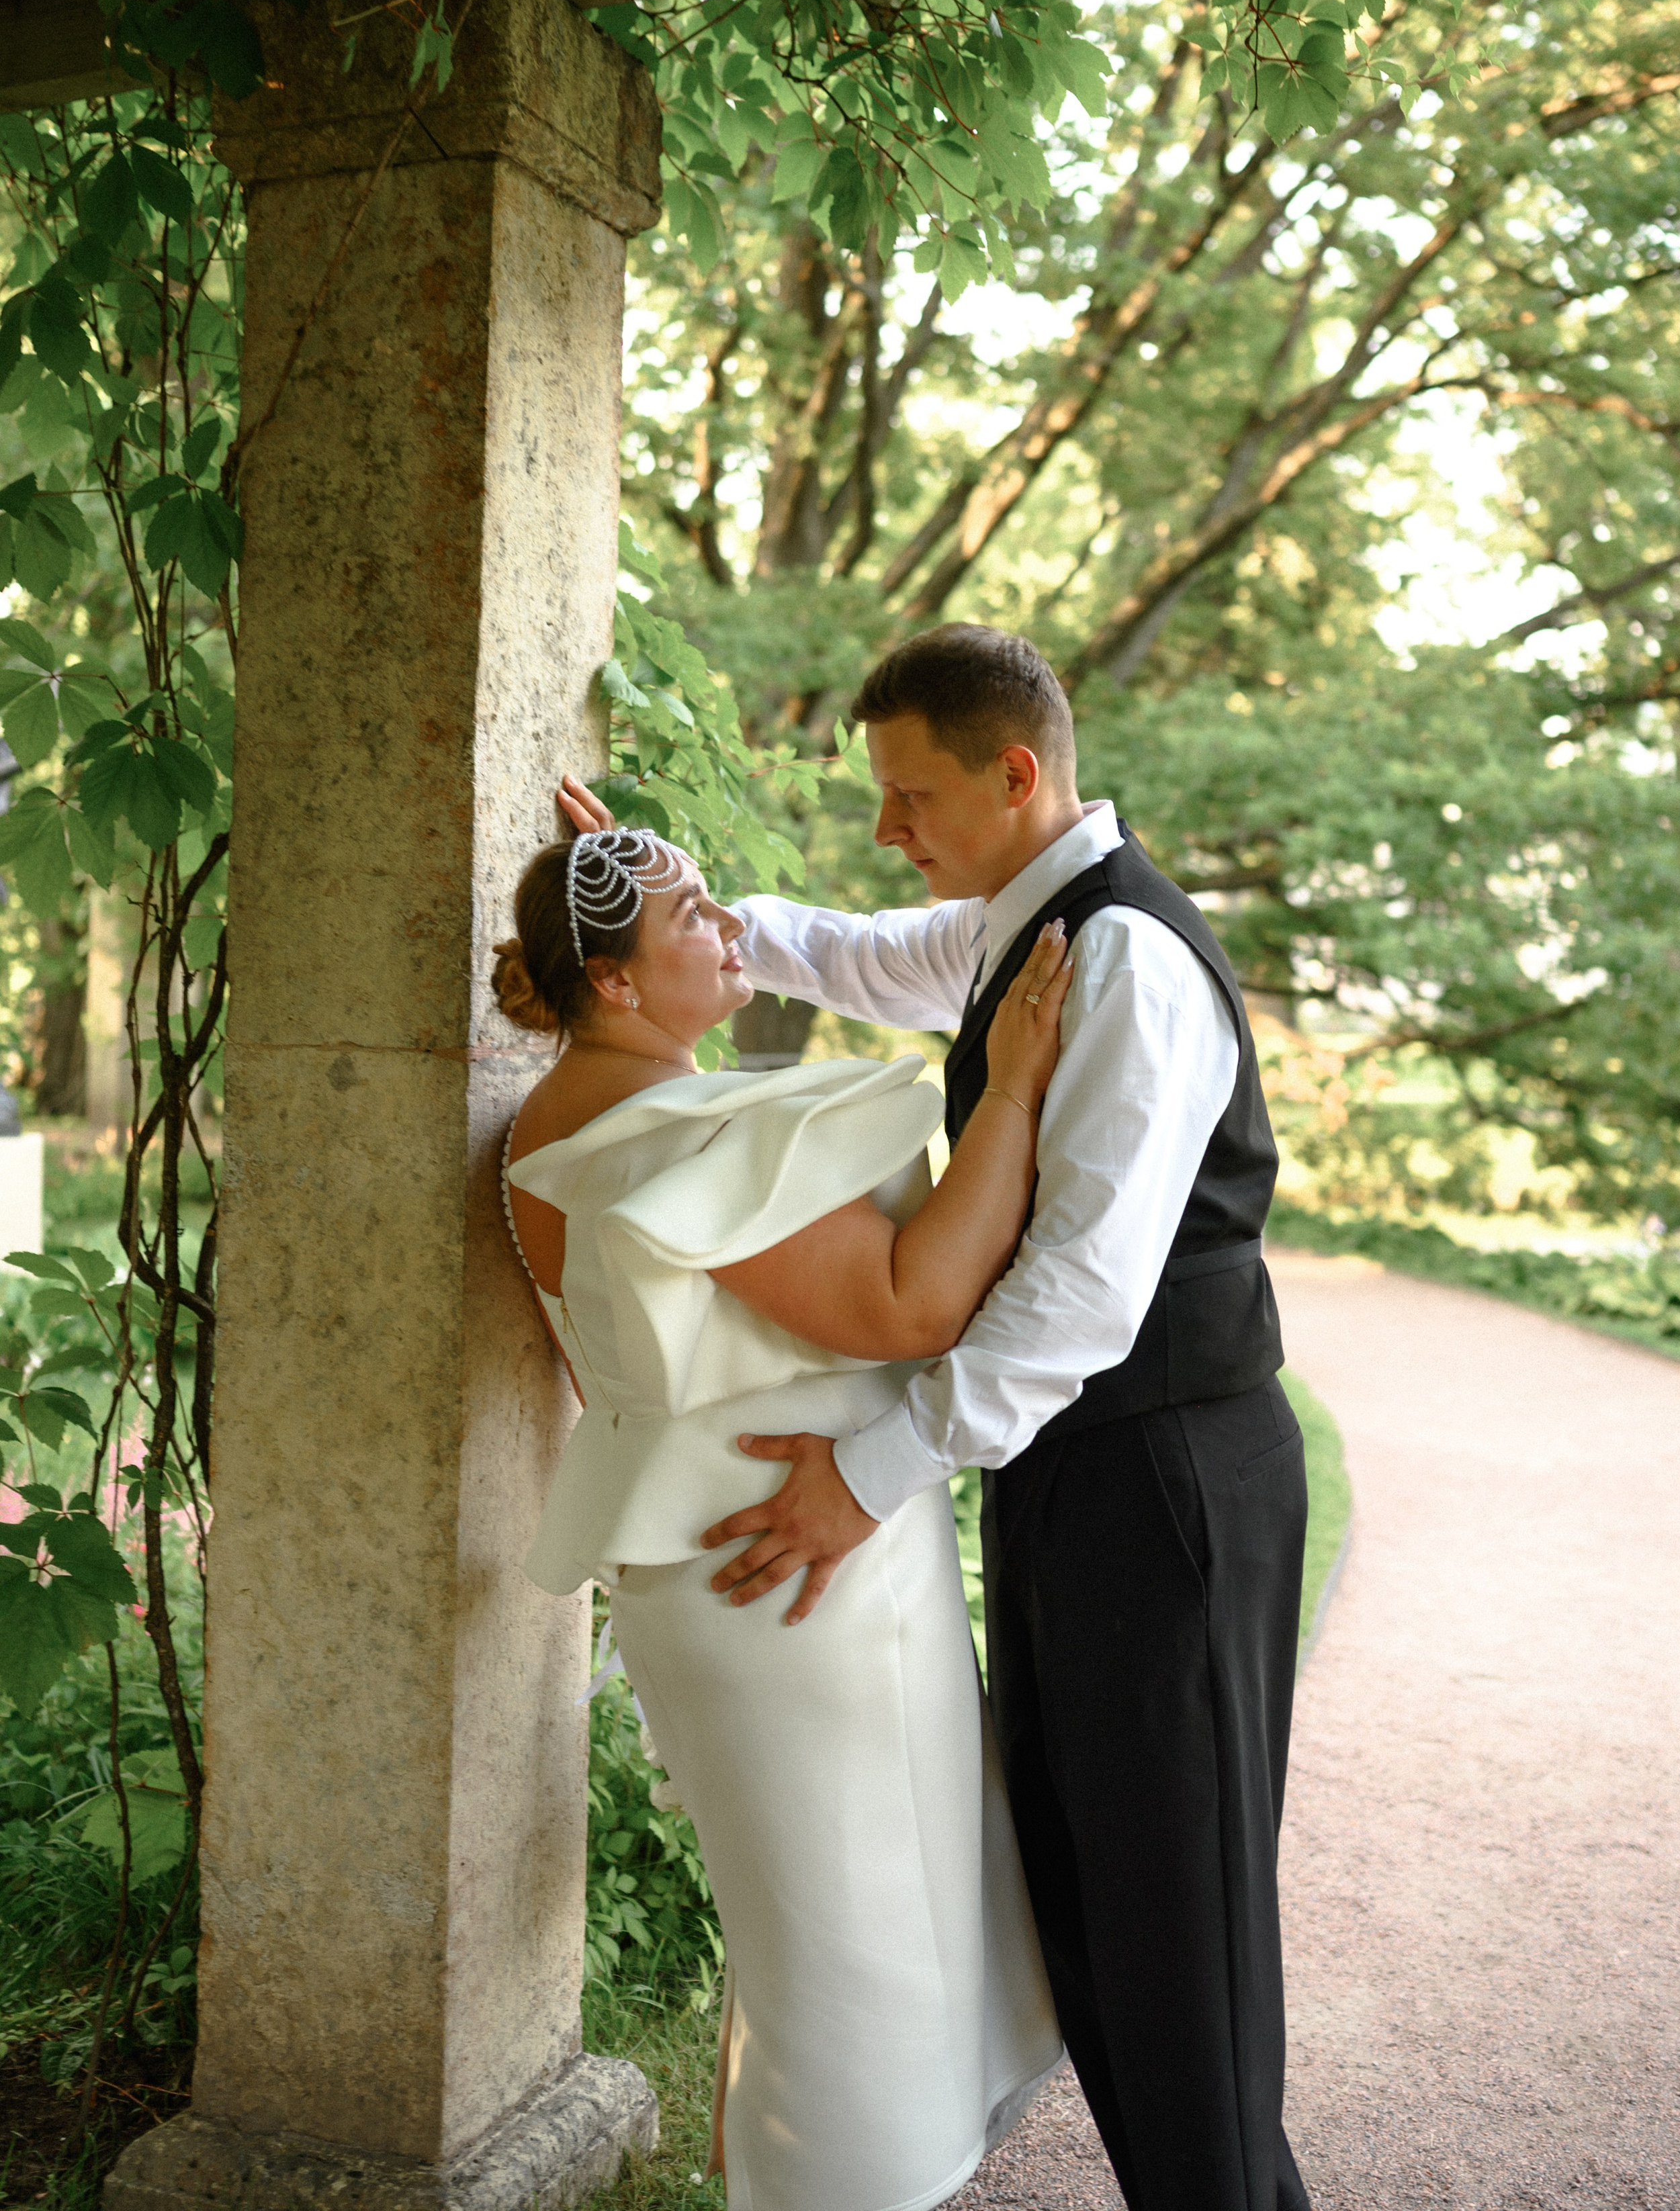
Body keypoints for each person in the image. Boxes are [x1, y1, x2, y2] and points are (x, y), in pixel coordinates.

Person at [558, 623, 1313, 2211]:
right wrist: (656, 915)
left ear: (1014, 775)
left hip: (1165, 1477)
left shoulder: (1120, 962)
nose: (887, 831)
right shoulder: (1010, 927)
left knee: (1177, 1931)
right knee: (1093, 1891)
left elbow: (1079, 1299)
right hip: (1078, 1478)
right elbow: (848, 952)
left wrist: (874, 1471)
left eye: (909, 798)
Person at [493, 824, 1067, 2211]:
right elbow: (912, 1303)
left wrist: (626, 870)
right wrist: (1010, 1094)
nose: (730, 929)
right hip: (783, 1571)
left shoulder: (571, 1111)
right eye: (693, 916)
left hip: (794, 1547)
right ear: (617, 985)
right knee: (849, 1954)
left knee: (865, 1921)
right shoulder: (637, 1134)